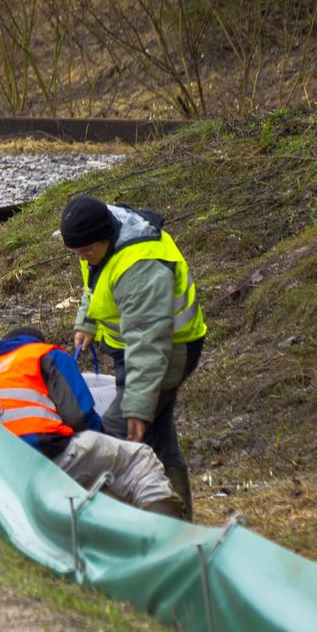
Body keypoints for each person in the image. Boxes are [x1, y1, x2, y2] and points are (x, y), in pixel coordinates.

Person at [60, 196, 207, 519]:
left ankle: (117, 524)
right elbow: (96, 278)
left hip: (168, 350)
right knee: (159, 436)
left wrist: (137, 407)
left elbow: (148, 342)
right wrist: (87, 320)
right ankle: (179, 523)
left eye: (86, 251)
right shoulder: (99, 230)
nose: (82, 258)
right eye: (76, 253)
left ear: (105, 237)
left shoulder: (141, 267)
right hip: (133, 350)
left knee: (117, 437)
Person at [0, 328, 184, 517]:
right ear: (34, 342)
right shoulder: (45, 354)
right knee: (137, 460)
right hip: (42, 455)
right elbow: (80, 417)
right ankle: (164, 536)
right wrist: (103, 440)